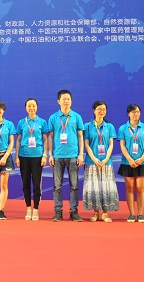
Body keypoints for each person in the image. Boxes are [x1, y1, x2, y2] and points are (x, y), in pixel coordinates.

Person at [47, 89, 85, 222]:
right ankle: (58, 212)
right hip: (57, 156)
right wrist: (50, 155)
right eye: (64, 99)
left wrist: (81, 154)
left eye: (68, 99)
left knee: (74, 186)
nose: (66, 101)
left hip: (73, 156)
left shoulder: (77, 117)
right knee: (57, 186)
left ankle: (74, 212)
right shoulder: (53, 118)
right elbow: (50, 137)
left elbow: (80, 136)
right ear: (58, 101)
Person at [83, 101, 119, 222]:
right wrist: (94, 159)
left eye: (104, 109)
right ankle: (96, 213)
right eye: (99, 109)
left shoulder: (109, 127)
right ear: (94, 111)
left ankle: (105, 213)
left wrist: (106, 158)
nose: (102, 111)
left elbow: (111, 144)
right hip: (92, 162)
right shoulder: (87, 126)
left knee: (105, 187)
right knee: (94, 187)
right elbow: (86, 144)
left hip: (106, 162)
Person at [117, 104, 144, 223]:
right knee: (129, 188)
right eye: (133, 112)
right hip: (127, 162)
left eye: (138, 112)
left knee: (140, 188)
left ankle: (140, 214)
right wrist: (129, 159)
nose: (136, 114)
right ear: (128, 114)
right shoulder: (123, 128)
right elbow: (122, 145)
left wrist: (142, 158)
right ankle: (131, 214)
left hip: (142, 162)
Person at [15, 98, 48, 221]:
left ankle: (36, 209)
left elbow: (46, 139)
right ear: (25, 108)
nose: (31, 108)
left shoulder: (42, 122)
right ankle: (28, 208)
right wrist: (17, 156)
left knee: (36, 183)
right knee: (25, 183)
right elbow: (18, 140)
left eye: (33, 106)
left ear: (37, 107)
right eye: (29, 106)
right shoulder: (21, 122)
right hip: (24, 156)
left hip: (37, 156)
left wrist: (45, 155)